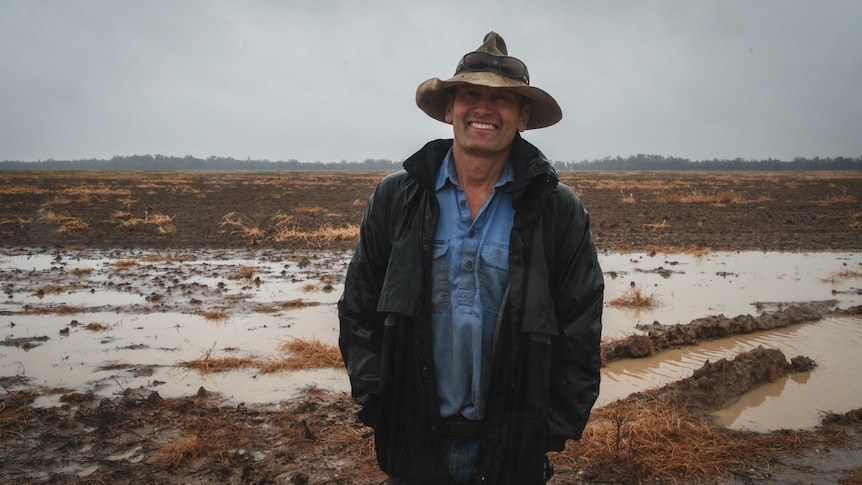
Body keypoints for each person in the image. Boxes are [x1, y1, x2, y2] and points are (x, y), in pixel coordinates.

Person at [338, 31, 604, 484]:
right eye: (470, 95)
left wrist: (547, 430)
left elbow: (581, 329)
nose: (483, 108)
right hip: (415, 442)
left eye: (501, 99)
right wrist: (380, 404)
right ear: (449, 109)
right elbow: (359, 311)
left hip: (513, 450)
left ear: (523, 117)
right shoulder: (397, 197)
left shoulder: (557, 209)